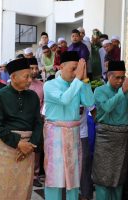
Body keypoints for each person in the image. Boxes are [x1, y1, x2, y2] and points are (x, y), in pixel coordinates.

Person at [0, 58, 43, 199]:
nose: (30, 80)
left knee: (23, 189)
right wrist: (18, 143)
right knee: (3, 189)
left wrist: (31, 145)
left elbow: (38, 123)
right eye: (26, 76)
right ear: (13, 77)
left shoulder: (33, 96)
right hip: (6, 148)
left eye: (31, 75)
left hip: (28, 147)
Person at [43, 51, 94, 200]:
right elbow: (64, 99)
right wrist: (78, 79)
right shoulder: (49, 85)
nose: (75, 72)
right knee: (55, 177)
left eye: (77, 69)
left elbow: (90, 102)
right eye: (73, 68)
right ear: (61, 67)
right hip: (56, 135)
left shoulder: (77, 84)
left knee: (73, 177)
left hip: (74, 134)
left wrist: (84, 80)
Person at [92, 60, 128, 200]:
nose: (121, 81)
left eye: (123, 77)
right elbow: (107, 107)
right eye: (117, 77)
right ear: (109, 76)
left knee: (119, 177)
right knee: (103, 176)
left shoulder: (126, 91)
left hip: (122, 138)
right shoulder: (99, 90)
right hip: (105, 138)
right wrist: (122, 92)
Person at [28, 57, 44, 187]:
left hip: (38, 121)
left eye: (36, 68)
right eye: (31, 68)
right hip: (23, 123)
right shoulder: (21, 84)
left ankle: (35, 175)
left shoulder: (41, 85)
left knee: (37, 149)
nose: (34, 71)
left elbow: (44, 103)